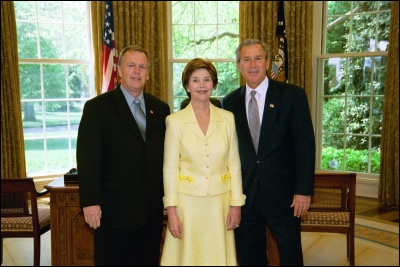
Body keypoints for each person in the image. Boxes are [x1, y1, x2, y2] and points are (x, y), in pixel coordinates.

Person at [222, 39, 316, 266]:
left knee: (290, 254)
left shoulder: (292, 95)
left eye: (257, 58)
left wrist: (303, 190)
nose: (252, 64)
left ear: (266, 63)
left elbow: (305, 145)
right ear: (238, 65)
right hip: (245, 195)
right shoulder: (229, 102)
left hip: (283, 195)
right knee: (249, 255)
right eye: (246, 59)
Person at [77, 45, 170, 266]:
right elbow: (88, 159)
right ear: (119, 70)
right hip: (113, 213)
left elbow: (166, 159)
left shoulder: (161, 109)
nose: (137, 71)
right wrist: (90, 202)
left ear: (148, 73)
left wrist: (168, 198)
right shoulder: (97, 108)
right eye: (131, 66)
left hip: (151, 214)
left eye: (142, 67)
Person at [161, 58, 246, 266]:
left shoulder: (227, 119)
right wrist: (171, 210)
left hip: (220, 204)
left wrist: (236, 205)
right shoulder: (174, 121)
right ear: (187, 86)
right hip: (187, 205)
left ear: (213, 84)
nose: (201, 85)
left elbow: (234, 164)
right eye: (196, 80)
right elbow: (170, 168)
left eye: (206, 80)